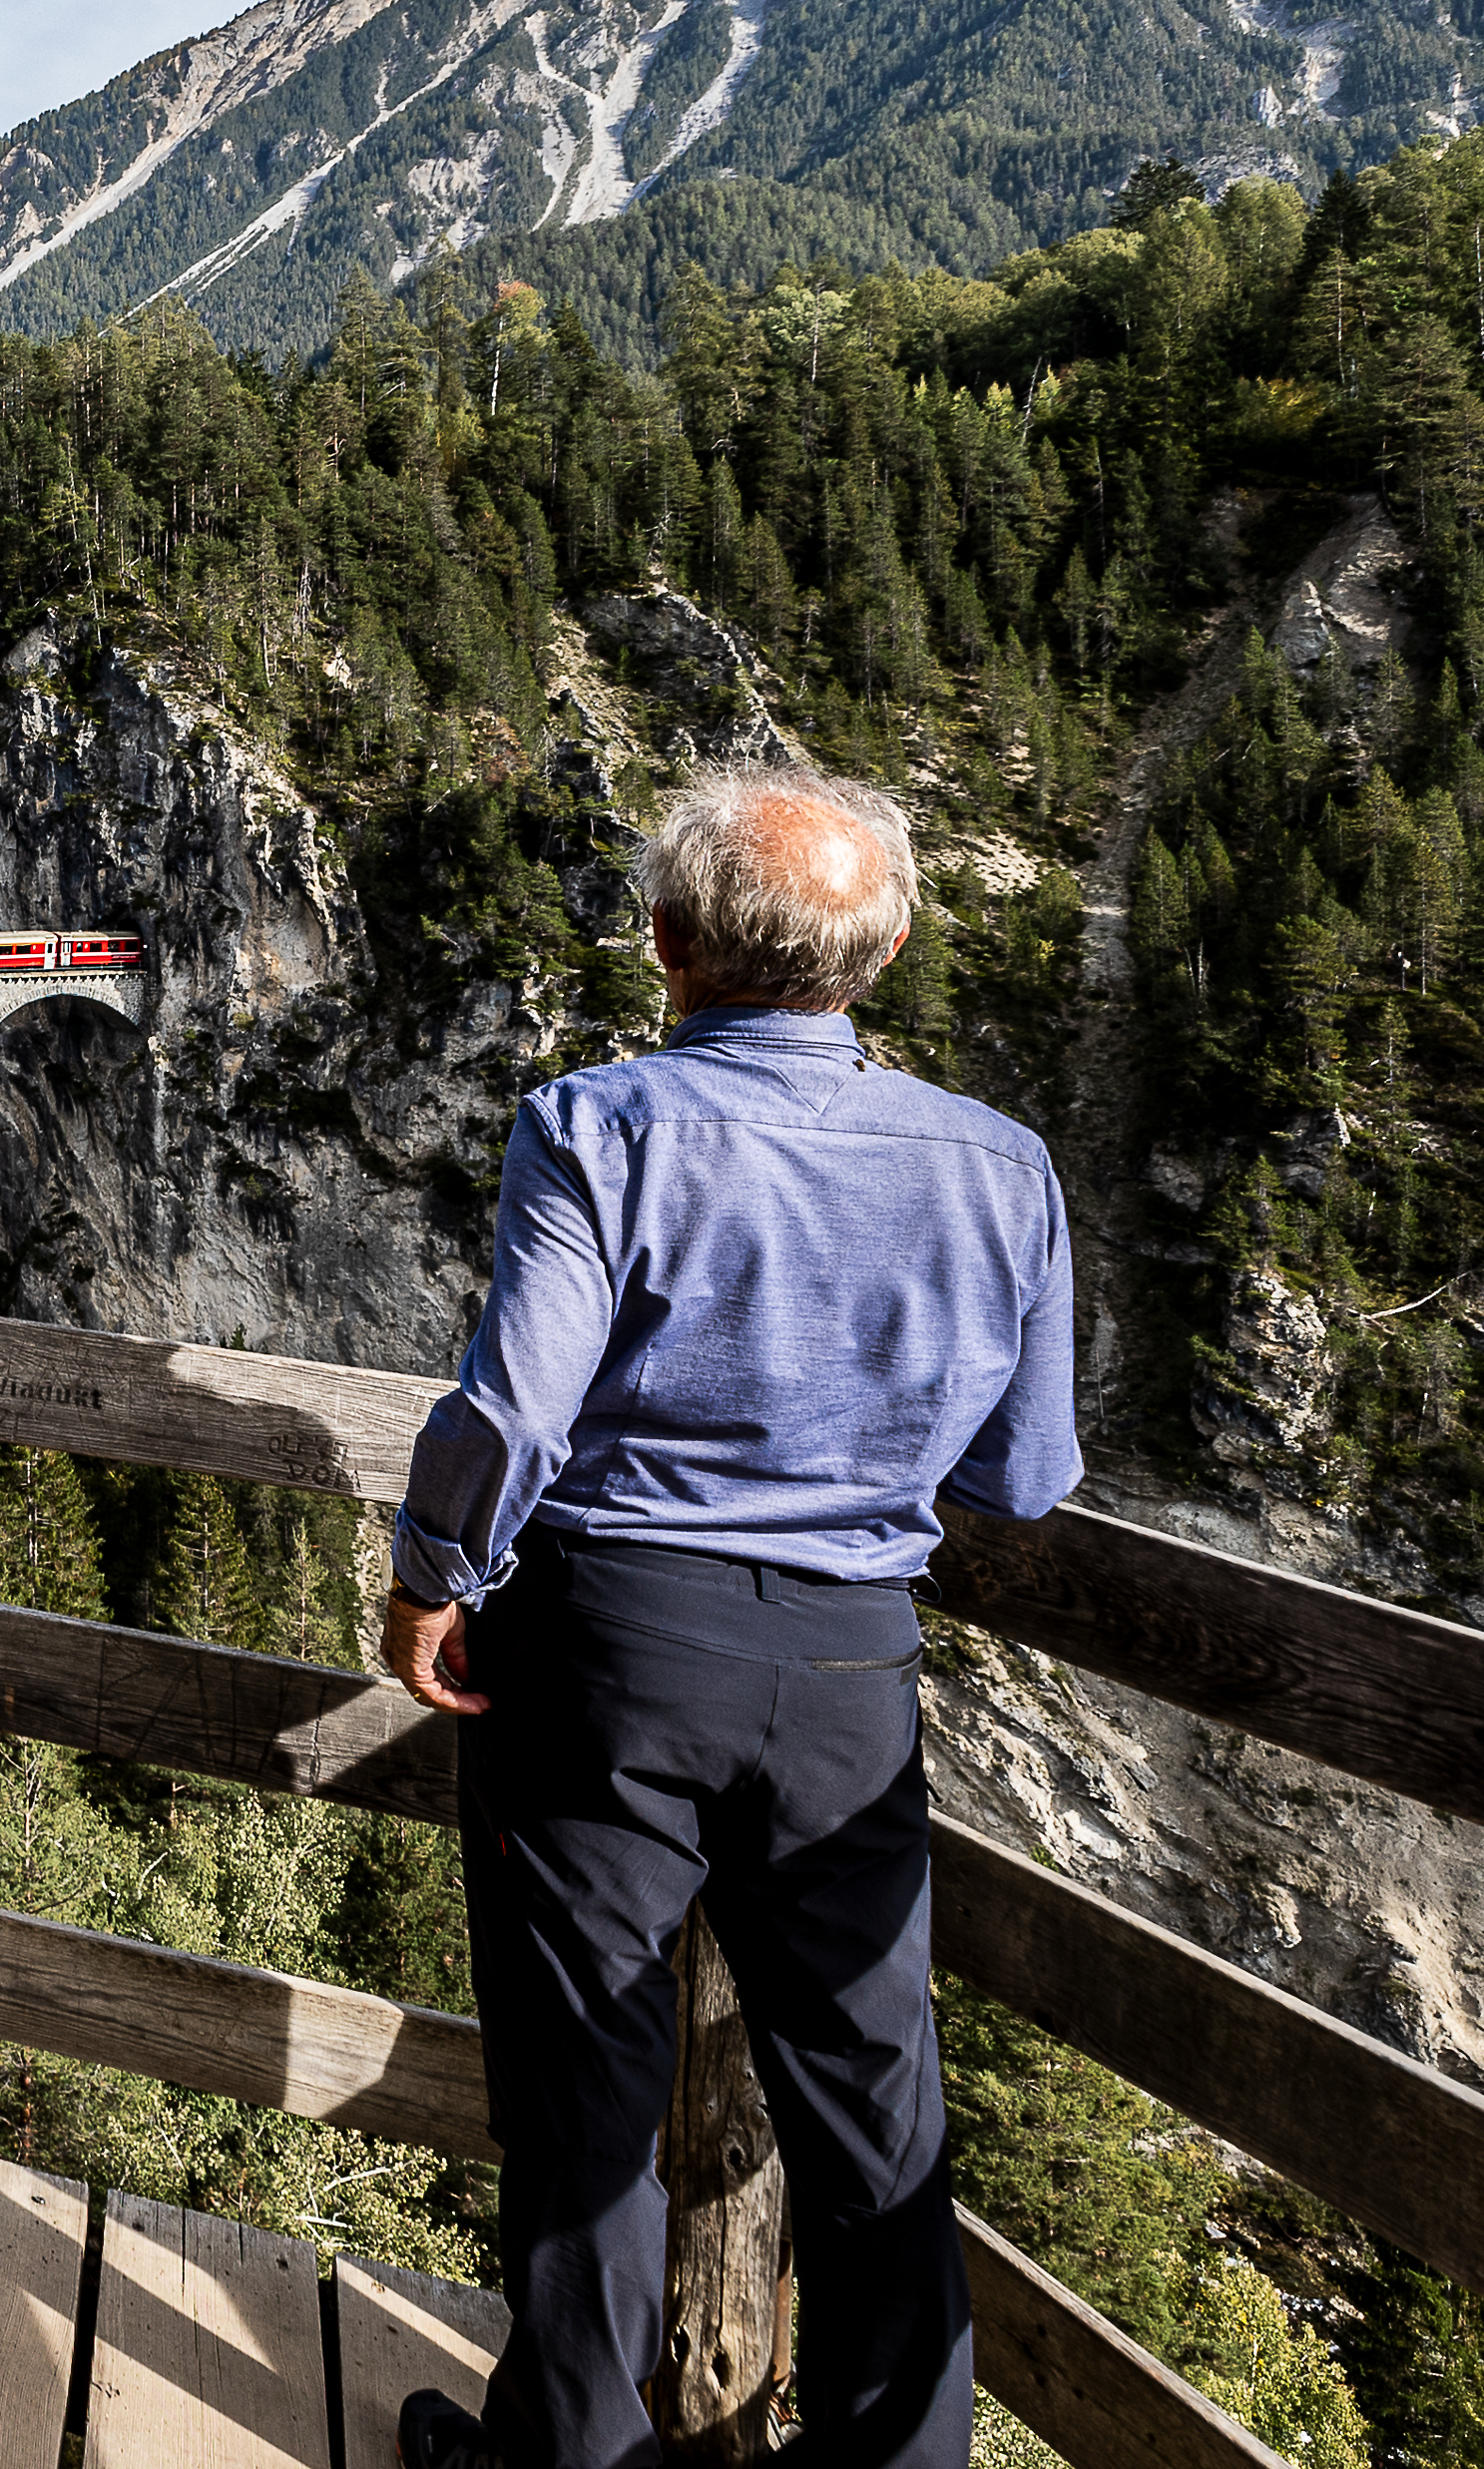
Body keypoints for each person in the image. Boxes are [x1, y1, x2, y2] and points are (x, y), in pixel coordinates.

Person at [379, 769, 1078, 2469]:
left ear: (670, 945)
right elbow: (1026, 1474)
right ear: (888, 946)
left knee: (585, 2093)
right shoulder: (1003, 1165)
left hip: (608, 1649)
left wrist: (431, 1573)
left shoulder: (599, 1124)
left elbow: (515, 1402)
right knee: (872, 2107)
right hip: (850, 1668)